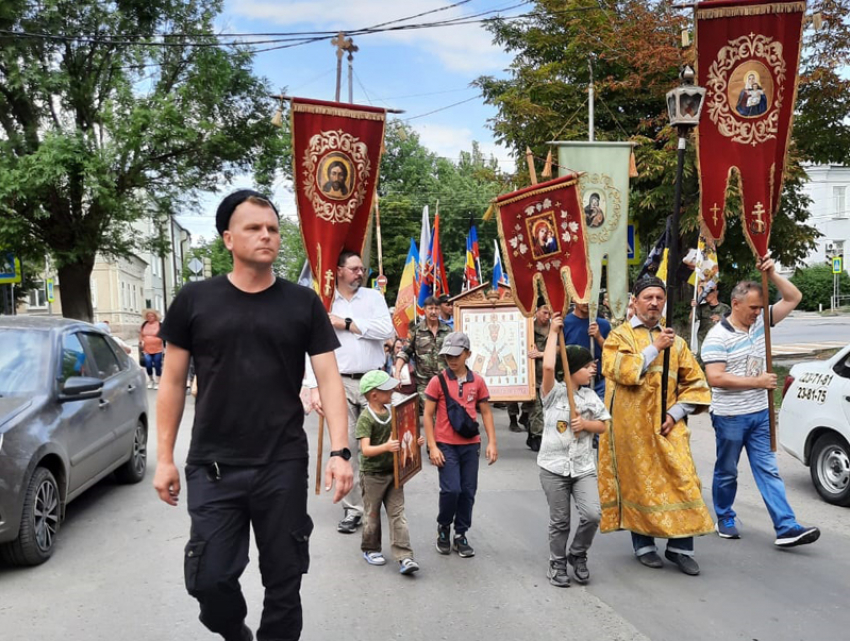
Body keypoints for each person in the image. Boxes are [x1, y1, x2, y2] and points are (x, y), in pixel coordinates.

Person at [152, 189, 353, 641]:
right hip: (213, 465)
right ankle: (237, 634)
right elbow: (171, 383)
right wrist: (164, 456)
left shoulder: (302, 304)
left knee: (284, 580)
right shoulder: (194, 299)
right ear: (227, 238)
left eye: (273, 229)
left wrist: (340, 450)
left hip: (281, 462)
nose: (267, 236)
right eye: (254, 228)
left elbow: (329, 379)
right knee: (210, 579)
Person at [598, 276, 714, 576]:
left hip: (667, 426)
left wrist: (675, 413)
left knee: (684, 479)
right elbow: (617, 369)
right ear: (634, 302)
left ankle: (680, 548)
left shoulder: (677, 343)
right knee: (640, 485)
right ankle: (644, 544)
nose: (654, 303)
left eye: (659, 298)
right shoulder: (619, 337)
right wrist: (654, 349)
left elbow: (697, 384)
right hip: (631, 431)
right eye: (647, 297)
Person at [701, 257, 820, 548]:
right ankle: (725, 516)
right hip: (730, 416)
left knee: (768, 469)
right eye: (753, 307)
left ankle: (786, 527)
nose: (757, 312)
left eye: (760, 307)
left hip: (761, 414)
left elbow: (794, 298)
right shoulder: (717, 337)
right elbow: (715, 377)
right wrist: (757, 382)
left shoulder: (762, 324)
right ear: (736, 304)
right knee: (727, 469)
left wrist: (772, 274)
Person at [306, 250, 395, 535]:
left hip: (374, 381)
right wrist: (313, 386)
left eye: (362, 268)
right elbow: (309, 344)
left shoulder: (373, 297)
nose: (360, 273)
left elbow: (386, 328)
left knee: (378, 445)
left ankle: (378, 501)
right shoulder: (323, 300)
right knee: (347, 448)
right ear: (339, 270)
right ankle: (353, 509)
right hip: (338, 382)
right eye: (354, 269)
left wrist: (346, 324)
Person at [538, 314, 609, 588]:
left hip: (582, 468)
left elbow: (603, 426)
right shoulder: (553, 393)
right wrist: (554, 331)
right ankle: (557, 562)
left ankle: (577, 553)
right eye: (588, 366)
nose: (593, 369)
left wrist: (586, 423)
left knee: (592, 514)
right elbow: (547, 368)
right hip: (553, 467)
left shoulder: (591, 397)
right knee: (560, 520)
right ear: (572, 369)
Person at [423, 332, 498, 558]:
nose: (452, 360)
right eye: (447, 356)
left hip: (470, 445)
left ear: (467, 354)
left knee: (467, 491)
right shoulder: (438, 381)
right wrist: (432, 446)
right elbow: (427, 415)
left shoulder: (478, 381)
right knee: (451, 489)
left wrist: (492, 442)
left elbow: (485, 412)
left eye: (456, 355)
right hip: (445, 444)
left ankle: (461, 534)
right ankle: (444, 527)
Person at [356, 370, 424, 575]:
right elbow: (365, 450)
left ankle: (404, 556)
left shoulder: (393, 412)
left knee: (397, 513)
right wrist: (386, 447)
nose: (393, 390)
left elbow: (404, 437)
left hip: (394, 472)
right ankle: (371, 548)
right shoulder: (366, 418)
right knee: (372, 512)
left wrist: (415, 443)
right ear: (374, 395)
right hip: (372, 474)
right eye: (388, 389)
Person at [507, 298, 551, 451]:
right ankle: (537, 437)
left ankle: (533, 434)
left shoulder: (554, 329)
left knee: (546, 409)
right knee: (536, 408)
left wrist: (541, 354)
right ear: (537, 311)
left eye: (549, 314)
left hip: (549, 375)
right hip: (530, 376)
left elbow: (559, 349)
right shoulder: (527, 328)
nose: (547, 316)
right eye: (544, 312)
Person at [395, 296, 450, 411]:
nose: (433, 312)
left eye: (436, 308)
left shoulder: (448, 331)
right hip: (424, 382)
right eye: (430, 308)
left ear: (440, 310)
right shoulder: (416, 331)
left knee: (444, 413)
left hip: (445, 381)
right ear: (424, 310)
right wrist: (397, 372)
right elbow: (405, 353)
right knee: (430, 411)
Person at [562, 300, 610, 401]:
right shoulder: (565, 323)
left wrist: (599, 337)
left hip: (599, 384)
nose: (586, 302)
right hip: (574, 385)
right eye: (582, 299)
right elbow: (559, 353)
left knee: (599, 416)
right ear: (574, 299)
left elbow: (612, 353)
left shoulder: (604, 324)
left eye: (590, 299)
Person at [691, 284, 731, 357]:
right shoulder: (701, 308)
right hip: (703, 341)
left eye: (709, 292)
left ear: (716, 293)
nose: (706, 295)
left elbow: (733, 325)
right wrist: (694, 307)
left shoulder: (725, 308)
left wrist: (721, 319)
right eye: (705, 293)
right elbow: (691, 320)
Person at [139, 310, 164, 389]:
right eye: (148, 316)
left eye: (152, 316)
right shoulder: (144, 325)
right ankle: (151, 380)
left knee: (157, 365)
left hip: (158, 348)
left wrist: (165, 346)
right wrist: (141, 342)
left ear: (155, 317)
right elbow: (141, 335)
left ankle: (158, 381)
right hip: (146, 348)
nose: (150, 318)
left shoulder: (160, 325)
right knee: (148, 364)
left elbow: (164, 335)